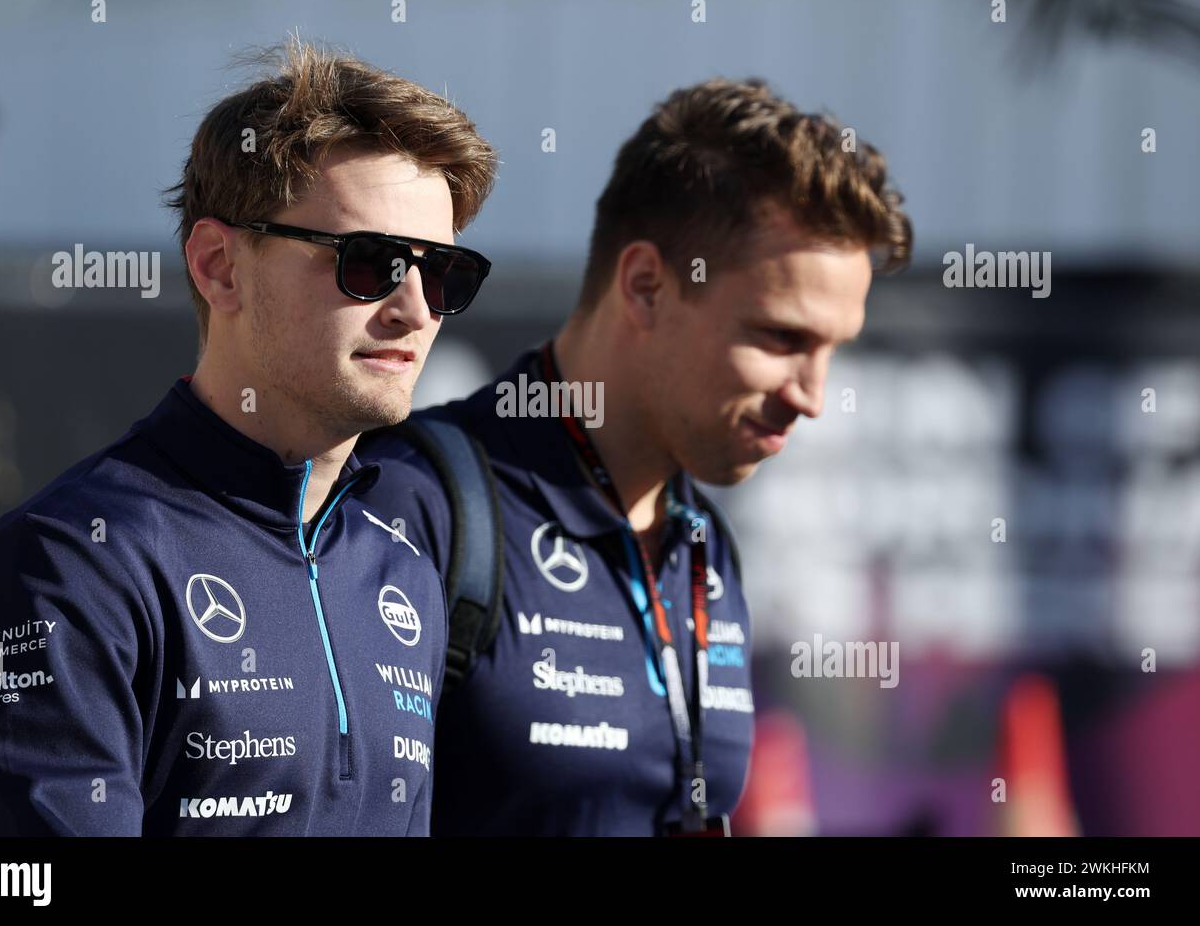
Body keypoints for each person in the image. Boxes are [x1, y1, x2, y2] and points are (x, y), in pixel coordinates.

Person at [0, 39, 498, 835]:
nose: (415, 311)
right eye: (370, 263)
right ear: (219, 266)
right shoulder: (67, 563)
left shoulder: (402, 568)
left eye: (443, 274)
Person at [358, 77, 912, 835]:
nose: (812, 394)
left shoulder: (704, 544)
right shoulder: (416, 504)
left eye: (832, 350)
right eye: (783, 338)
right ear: (647, 286)